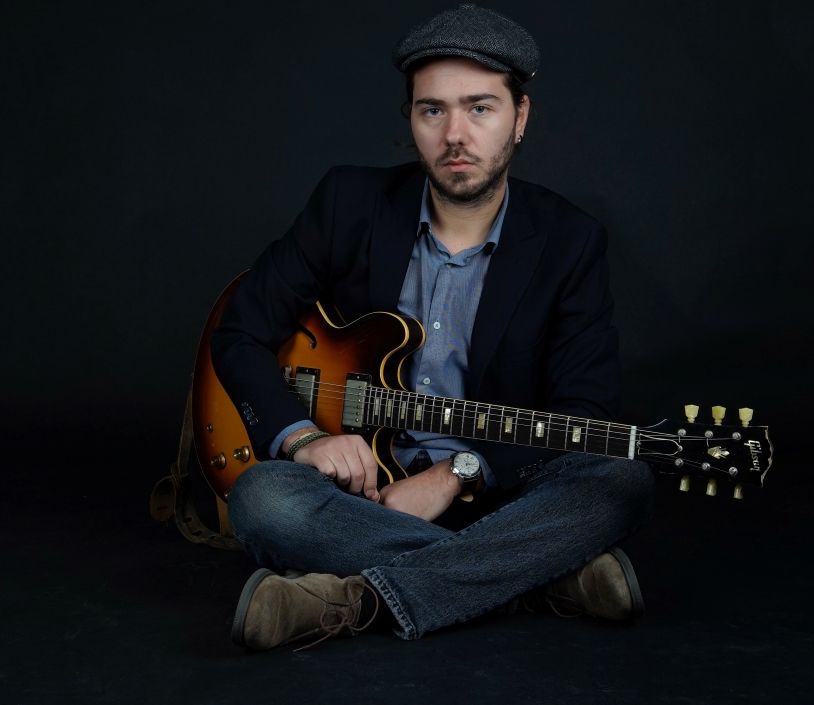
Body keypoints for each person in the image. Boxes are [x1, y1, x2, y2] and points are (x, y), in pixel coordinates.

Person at [210, 3, 655, 650]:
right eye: (432, 110)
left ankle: (355, 598)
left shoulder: (570, 241)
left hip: (499, 495)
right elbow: (239, 333)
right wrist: (304, 439)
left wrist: (457, 474)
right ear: (411, 119)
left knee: (621, 478)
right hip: (359, 498)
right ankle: (535, 577)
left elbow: (585, 411)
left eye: (480, 108)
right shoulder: (347, 203)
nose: (455, 135)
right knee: (261, 498)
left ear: (520, 117)